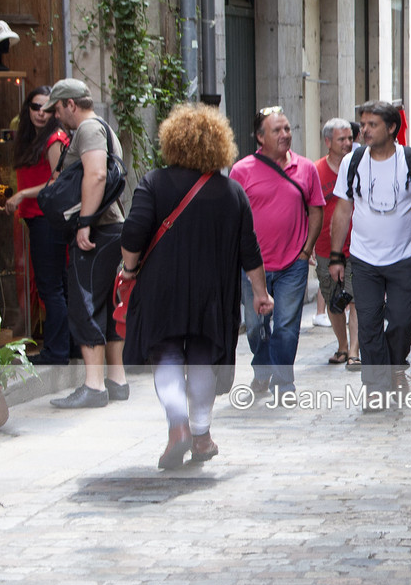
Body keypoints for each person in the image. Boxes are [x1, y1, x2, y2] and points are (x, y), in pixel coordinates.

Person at [119, 105, 272, 468]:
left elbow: (133, 233)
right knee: (203, 355)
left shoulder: (154, 183)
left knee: (168, 354)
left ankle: (178, 428)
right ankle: (202, 437)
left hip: (161, 288)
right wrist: (260, 293)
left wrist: (128, 270)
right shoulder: (232, 192)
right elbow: (249, 250)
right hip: (212, 292)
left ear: (172, 140)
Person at [327, 101, 411, 406]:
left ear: (391, 128)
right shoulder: (353, 161)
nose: (363, 130)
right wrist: (337, 257)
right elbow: (342, 211)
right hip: (363, 260)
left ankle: (392, 367)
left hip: (403, 257)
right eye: (362, 124)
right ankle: (376, 388)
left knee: (402, 322)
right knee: (369, 323)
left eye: (372, 124)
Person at [43, 79, 129, 409]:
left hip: (99, 229)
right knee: (104, 304)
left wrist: (84, 223)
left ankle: (94, 386)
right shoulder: (103, 127)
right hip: (108, 229)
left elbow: (95, 175)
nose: (55, 117)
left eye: (57, 109)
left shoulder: (89, 129)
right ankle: (116, 381)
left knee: (84, 304)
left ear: (70, 105)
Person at [229, 107, 325, 394]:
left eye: (287, 129)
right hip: (253, 266)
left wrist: (306, 251)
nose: (285, 135)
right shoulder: (241, 170)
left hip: (293, 263)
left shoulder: (305, 168)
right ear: (260, 137)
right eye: (276, 130)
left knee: (286, 326)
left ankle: (284, 382)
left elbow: (316, 209)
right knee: (257, 327)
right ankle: (263, 369)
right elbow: (233, 216)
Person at [4, 85, 71, 364]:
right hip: (36, 218)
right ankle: (66, 348)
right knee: (55, 286)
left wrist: (22, 194)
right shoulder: (30, 138)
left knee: (51, 287)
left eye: (46, 107)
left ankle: (56, 352)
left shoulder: (54, 137)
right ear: (27, 109)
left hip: (48, 219)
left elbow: (58, 182)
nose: (40, 113)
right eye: (35, 107)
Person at [313, 118, 359, 369]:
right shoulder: (316, 171)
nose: (348, 143)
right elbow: (307, 209)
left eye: (350, 138)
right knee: (335, 301)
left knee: (355, 299)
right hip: (324, 247)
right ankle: (342, 345)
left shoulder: (360, 165)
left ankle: (354, 350)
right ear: (328, 141)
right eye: (342, 139)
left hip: (357, 246)